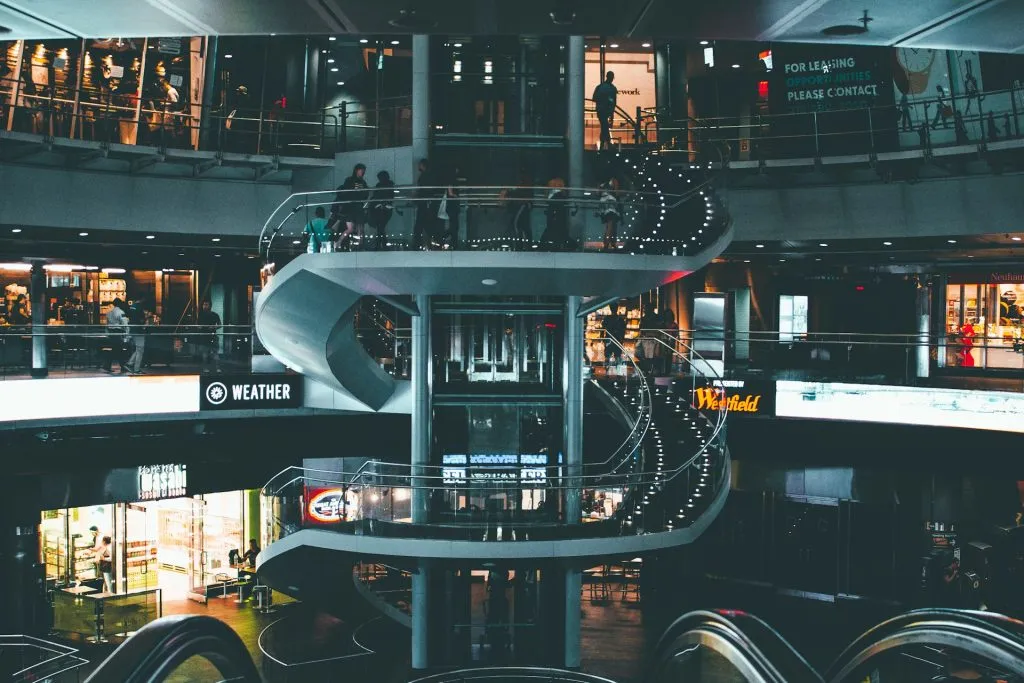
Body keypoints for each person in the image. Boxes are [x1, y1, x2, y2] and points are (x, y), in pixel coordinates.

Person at [332, 163, 369, 250]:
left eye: (363, 171)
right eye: (361, 171)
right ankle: (340, 242)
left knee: (357, 228)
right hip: (351, 207)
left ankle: (356, 244)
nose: (363, 173)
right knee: (353, 228)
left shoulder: (362, 182)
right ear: (357, 170)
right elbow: (347, 191)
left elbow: (365, 193)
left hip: (356, 206)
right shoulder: (351, 181)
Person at [413, 158, 441, 249]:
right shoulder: (430, 175)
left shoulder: (425, 175)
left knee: (421, 224)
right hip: (426, 203)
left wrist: (418, 196)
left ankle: (418, 244)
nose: (418, 166)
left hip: (424, 202)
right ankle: (435, 241)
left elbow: (425, 189)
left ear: (423, 165)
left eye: (419, 165)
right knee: (427, 224)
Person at [367, 170, 397, 249]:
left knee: (380, 227)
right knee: (381, 227)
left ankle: (380, 244)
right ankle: (383, 244)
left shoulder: (381, 185)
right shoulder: (390, 185)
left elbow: (376, 196)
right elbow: (390, 197)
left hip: (380, 209)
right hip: (385, 209)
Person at [505, 169, 534, 247]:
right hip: (523, 205)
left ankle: (521, 244)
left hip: (523, 206)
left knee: (517, 224)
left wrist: (508, 192)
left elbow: (522, 193)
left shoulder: (525, 184)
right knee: (522, 225)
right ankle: (524, 244)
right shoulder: (524, 183)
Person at [541, 177, 571, 249]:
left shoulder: (557, 195)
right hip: (556, 217)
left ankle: (543, 246)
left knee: (554, 232)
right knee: (558, 233)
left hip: (555, 217)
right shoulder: (559, 194)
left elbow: (551, 203)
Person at [592, 71, 617, 151]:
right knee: (605, 126)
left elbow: (594, 98)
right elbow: (613, 103)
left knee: (604, 126)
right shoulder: (612, 88)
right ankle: (607, 142)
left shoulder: (600, 87)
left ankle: (604, 143)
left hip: (602, 110)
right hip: (605, 110)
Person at [103, 298, 129, 373]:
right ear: (120, 304)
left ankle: (107, 365)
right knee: (118, 349)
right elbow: (125, 324)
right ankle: (122, 367)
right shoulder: (121, 312)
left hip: (111, 332)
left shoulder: (109, 312)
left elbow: (107, 324)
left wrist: (107, 333)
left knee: (116, 349)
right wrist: (127, 334)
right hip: (118, 332)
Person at [197, 300, 221, 372]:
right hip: (204, 336)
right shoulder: (200, 315)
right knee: (205, 353)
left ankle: (217, 368)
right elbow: (197, 325)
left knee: (215, 352)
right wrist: (200, 327)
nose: (204, 306)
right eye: (204, 304)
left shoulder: (215, 314)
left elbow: (220, 325)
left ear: (210, 306)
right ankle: (206, 368)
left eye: (206, 304)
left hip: (212, 335)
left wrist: (213, 327)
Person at [126, 298, 148, 375]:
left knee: (138, 349)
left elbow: (128, 317)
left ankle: (130, 363)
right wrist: (146, 319)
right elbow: (142, 319)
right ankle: (136, 369)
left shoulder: (132, 306)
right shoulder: (140, 307)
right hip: (139, 330)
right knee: (140, 350)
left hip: (132, 329)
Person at [599, 178, 621, 251]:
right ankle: (609, 243)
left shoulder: (603, 184)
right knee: (611, 225)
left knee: (609, 225)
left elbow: (598, 193)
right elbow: (617, 193)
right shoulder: (614, 180)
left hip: (604, 205)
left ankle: (608, 243)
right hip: (611, 204)